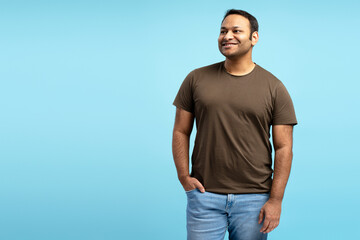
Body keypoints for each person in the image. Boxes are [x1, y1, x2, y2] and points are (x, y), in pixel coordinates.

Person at [171, 9, 298, 240]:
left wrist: (276, 200)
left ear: (254, 38)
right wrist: (183, 177)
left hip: (255, 199)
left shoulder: (274, 88)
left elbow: (284, 148)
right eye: (223, 31)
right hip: (204, 195)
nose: (227, 36)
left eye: (236, 31)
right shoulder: (196, 79)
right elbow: (181, 130)